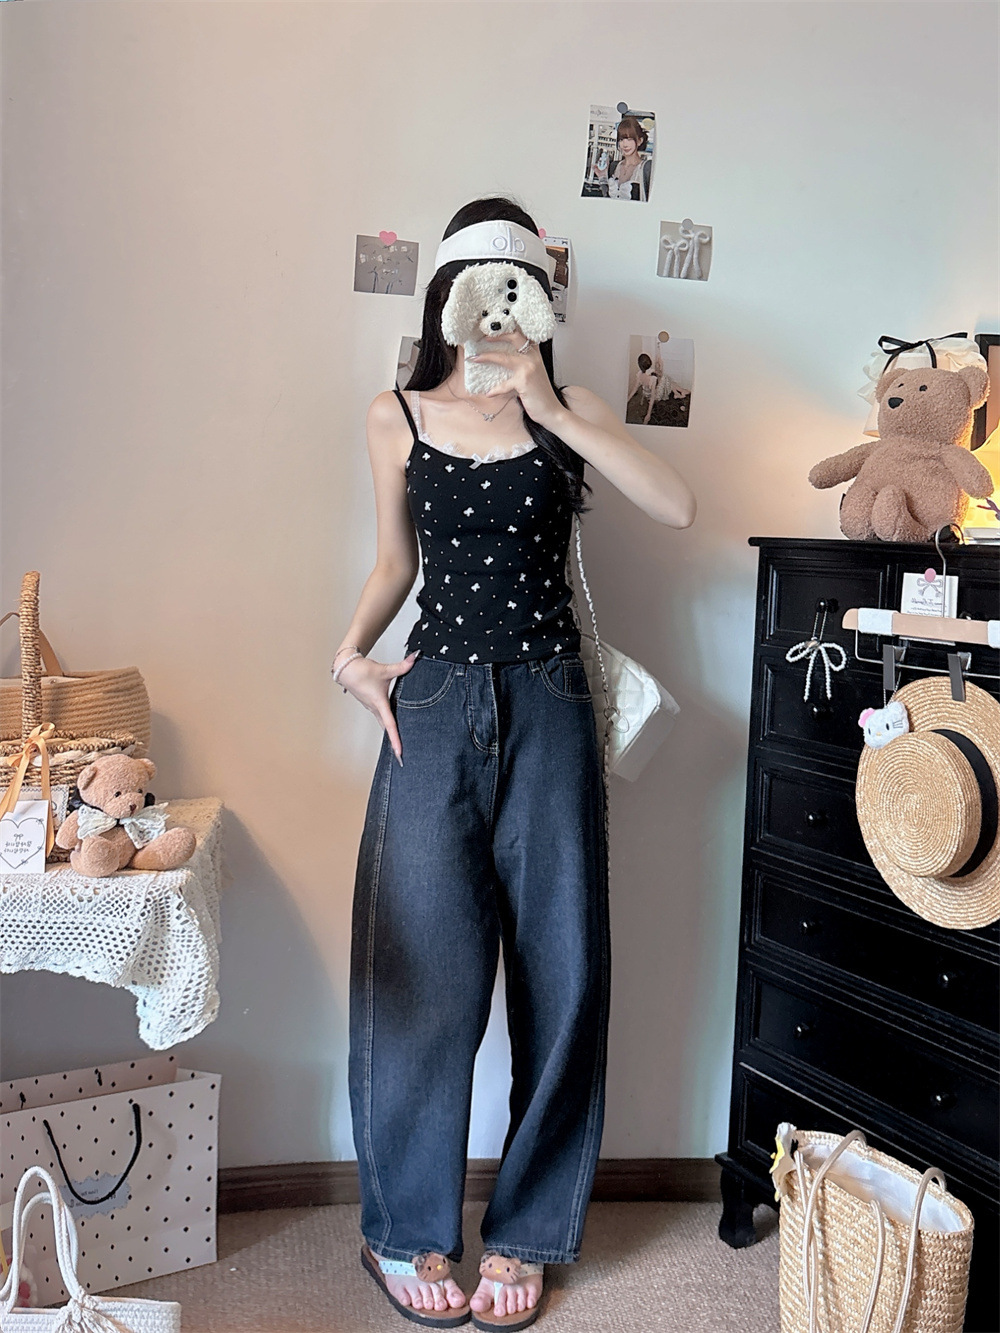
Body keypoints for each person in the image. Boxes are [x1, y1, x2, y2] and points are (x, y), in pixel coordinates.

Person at [333, 197, 695, 1330]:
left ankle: (529, 1230)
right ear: (446, 294)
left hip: (550, 697)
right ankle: (407, 1227)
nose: (492, 305)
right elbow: (395, 563)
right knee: (418, 970)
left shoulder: (570, 410)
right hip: (433, 698)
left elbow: (676, 504)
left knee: (561, 968)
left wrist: (546, 404)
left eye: (514, 284)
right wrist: (348, 657)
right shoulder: (395, 413)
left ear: (536, 296)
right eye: (475, 283)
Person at [594, 115, 652, 202]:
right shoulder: (614, 166)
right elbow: (608, 199)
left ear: (639, 141)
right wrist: (602, 177)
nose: (625, 144)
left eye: (629, 139)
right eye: (621, 139)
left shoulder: (646, 168)